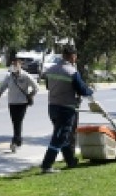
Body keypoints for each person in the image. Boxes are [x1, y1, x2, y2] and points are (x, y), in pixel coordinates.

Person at [39, 45, 94, 174]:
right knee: (60, 136)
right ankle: (47, 165)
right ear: (72, 56)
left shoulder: (51, 69)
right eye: (75, 56)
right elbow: (82, 90)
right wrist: (90, 91)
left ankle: (70, 161)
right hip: (66, 108)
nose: (76, 58)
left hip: (52, 106)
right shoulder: (71, 72)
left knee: (63, 135)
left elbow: (48, 86)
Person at [0, 59, 38, 152]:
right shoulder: (9, 76)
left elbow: (36, 87)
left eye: (16, 64)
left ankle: (15, 141)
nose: (14, 66)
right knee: (15, 121)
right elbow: (3, 86)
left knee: (18, 121)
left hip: (22, 103)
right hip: (12, 102)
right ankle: (18, 141)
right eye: (13, 64)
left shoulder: (26, 76)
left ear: (20, 65)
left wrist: (31, 95)